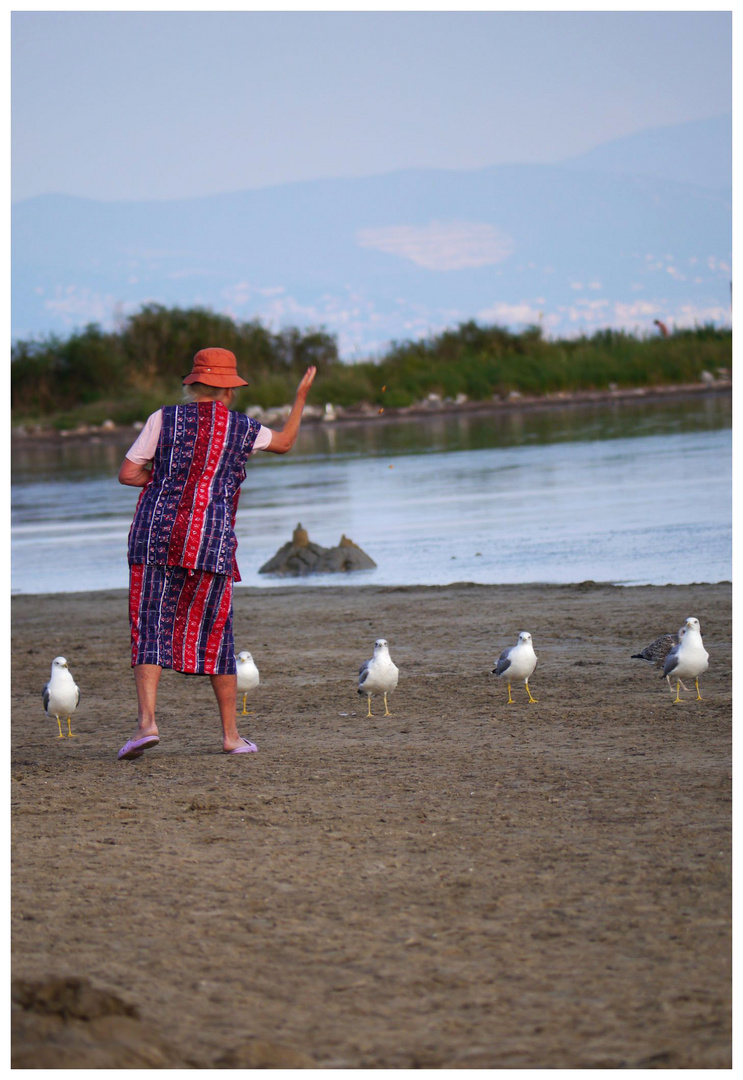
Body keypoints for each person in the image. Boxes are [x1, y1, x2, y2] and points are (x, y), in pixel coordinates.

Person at [116, 347, 316, 759]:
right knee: (216, 632)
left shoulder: (162, 418)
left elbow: (128, 473)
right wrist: (300, 397)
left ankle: (146, 724)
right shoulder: (243, 428)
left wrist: (169, 478)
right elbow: (286, 442)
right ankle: (229, 736)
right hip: (209, 540)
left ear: (195, 385)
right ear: (229, 390)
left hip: (154, 535)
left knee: (149, 626)